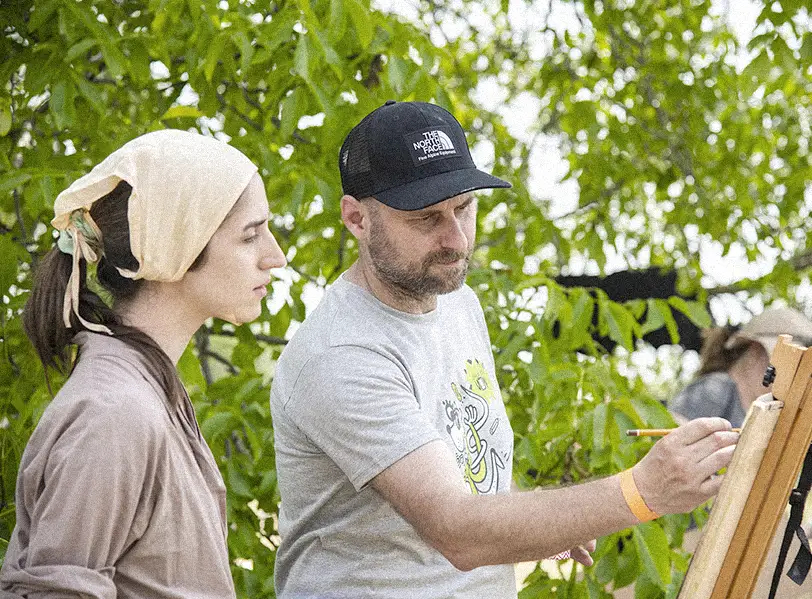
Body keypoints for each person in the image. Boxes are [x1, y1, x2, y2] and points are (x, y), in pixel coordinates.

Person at [269, 100, 738, 598]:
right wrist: (642, 491)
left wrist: (548, 527)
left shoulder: (456, 302)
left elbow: (475, 470)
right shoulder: (342, 354)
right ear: (357, 218)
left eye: (464, 208)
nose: (455, 239)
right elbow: (458, 529)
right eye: (426, 218)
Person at [0, 130, 286, 598]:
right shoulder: (114, 414)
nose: (276, 257)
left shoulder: (147, 388)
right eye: (250, 235)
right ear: (177, 247)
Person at [670, 307, 812, 428]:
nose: (790, 376)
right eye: (787, 364)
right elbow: (670, 440)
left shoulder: (763, 408)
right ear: (755, 352)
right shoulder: (716, 389)